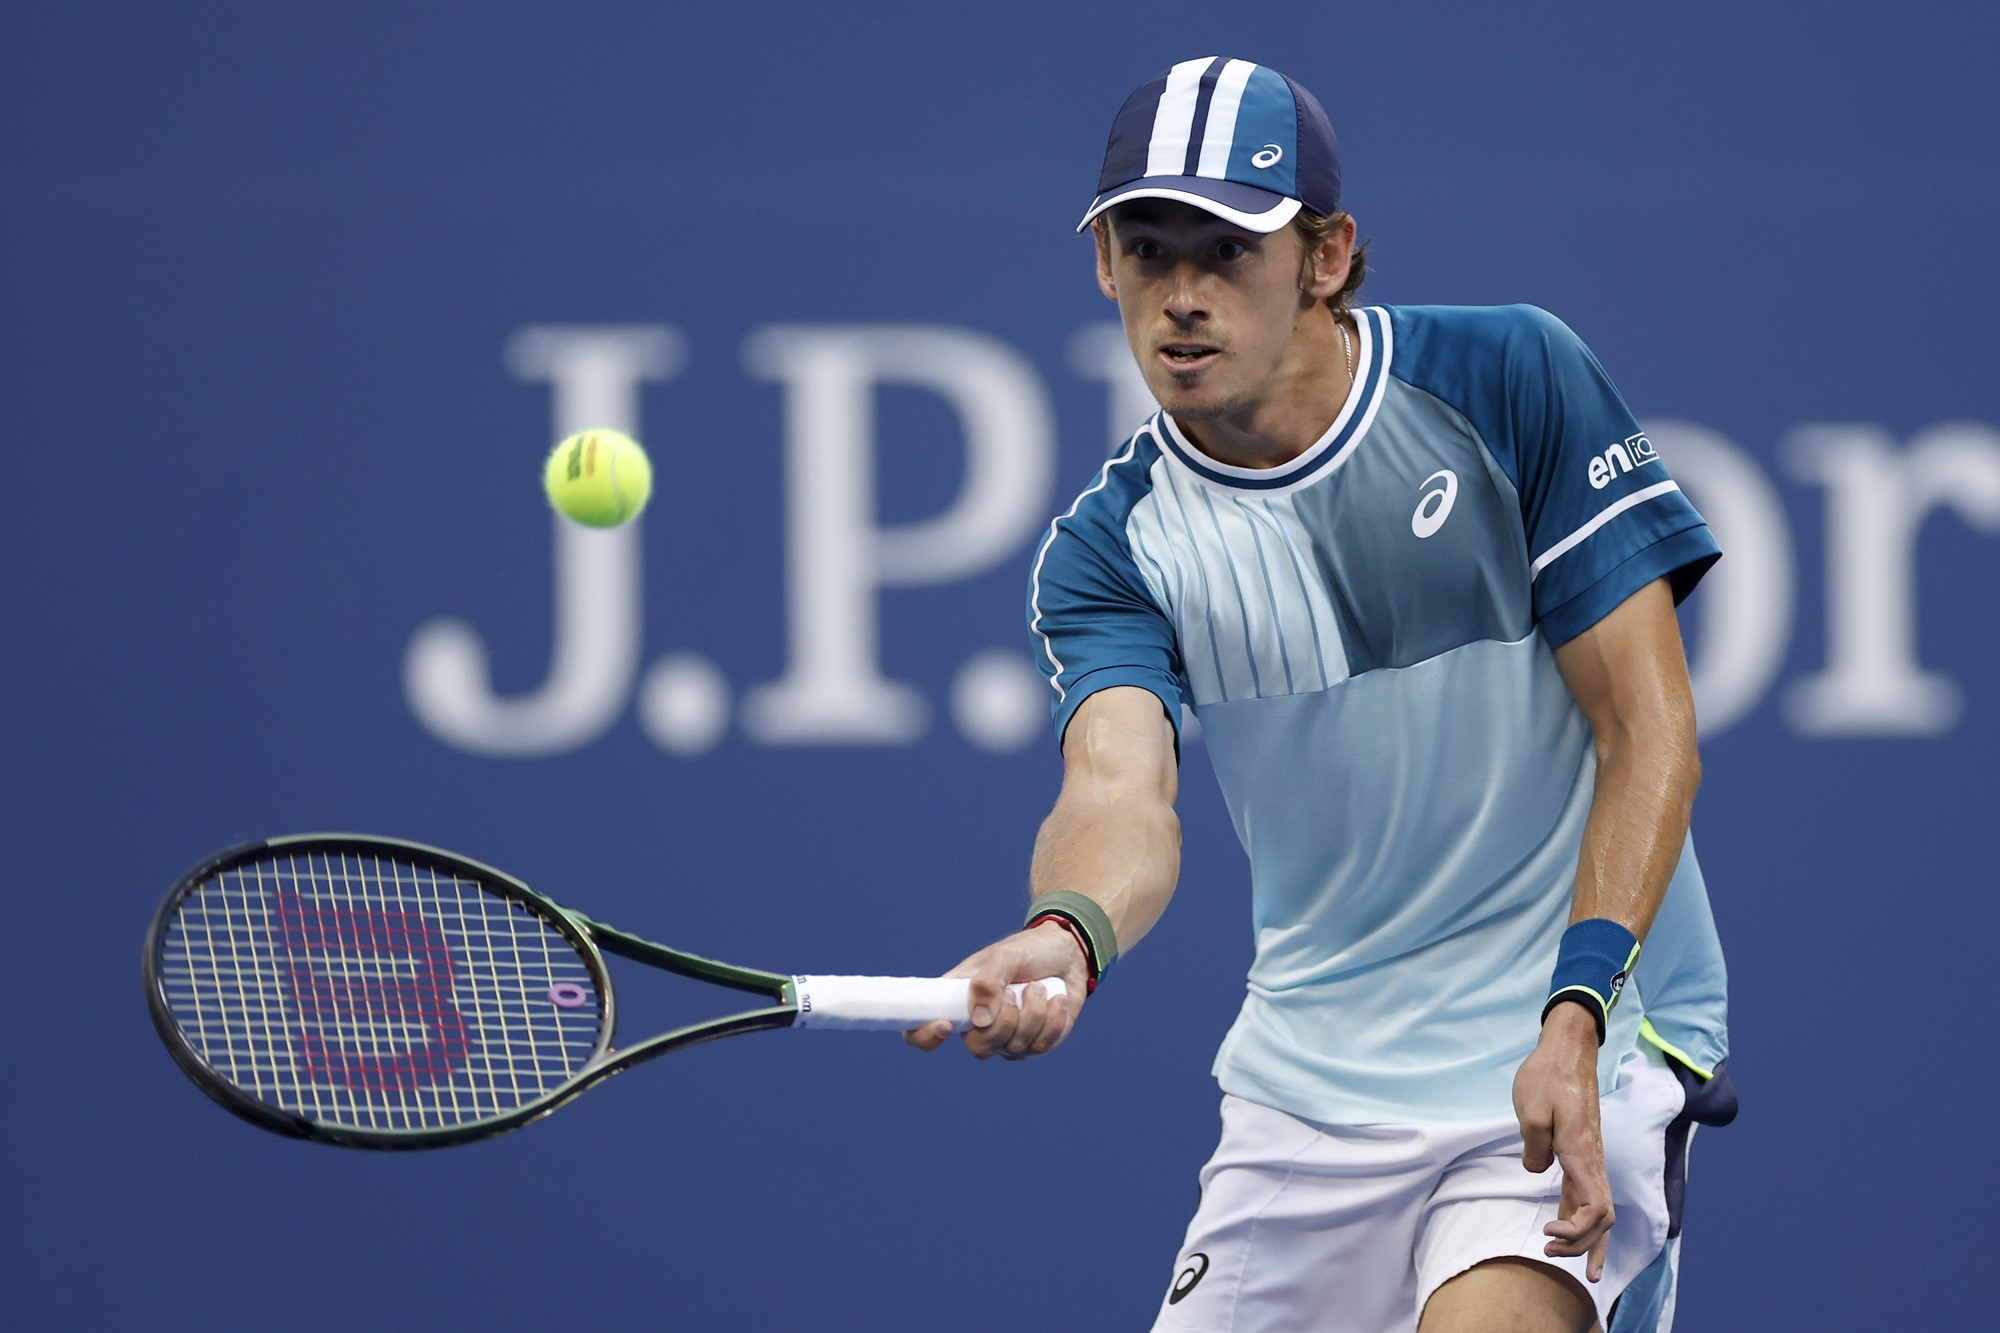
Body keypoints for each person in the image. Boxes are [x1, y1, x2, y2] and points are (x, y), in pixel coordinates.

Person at [906, 57, 1736, 1333]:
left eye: (1225, 253)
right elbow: (1120, 792)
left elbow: (1649, 731)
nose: (1179, 298)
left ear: (1325, 256)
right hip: (1305, 1095)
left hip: (1573, 1041)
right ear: (1102, 268)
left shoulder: (1508, 379)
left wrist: (1573, 1012)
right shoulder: (1110, 550)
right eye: (1145, 251)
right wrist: (1068, 930)